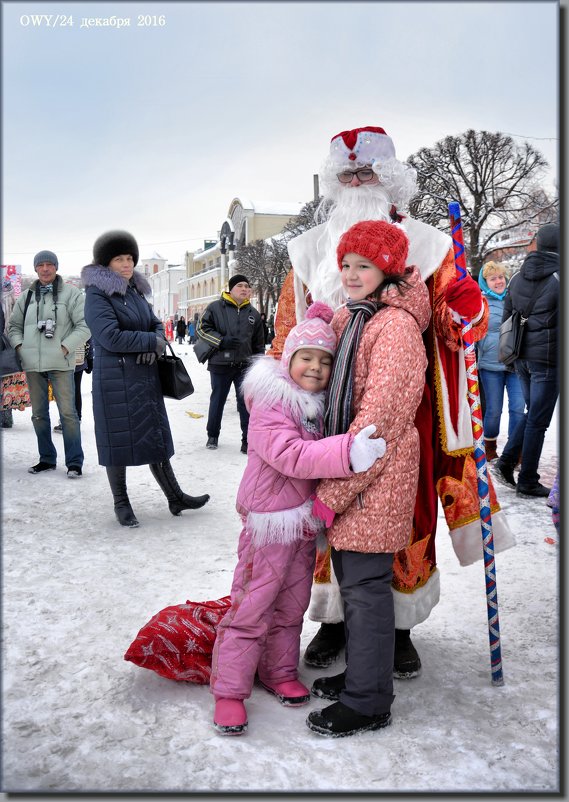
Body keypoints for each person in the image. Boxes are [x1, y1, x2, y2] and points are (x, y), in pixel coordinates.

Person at [269, 125, 514, 676]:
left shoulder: (429, 244)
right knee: (324, 507)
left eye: (368, 172)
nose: (358, 183)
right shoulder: (308, 250)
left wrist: (466, 308)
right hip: (322, 406)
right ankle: (333, 618)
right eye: (348, 174)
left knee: (399, 511)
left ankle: (397, 626)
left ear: (390, 179)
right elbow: (287, 331)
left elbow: (454, 326)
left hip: (405, 403)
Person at [210, 302, 387, 735]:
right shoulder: (272, 402)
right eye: (306, 357)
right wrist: (347, 452)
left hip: (303, 524)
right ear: (287, 358)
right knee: (252, 604)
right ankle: (230, 689)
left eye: (325, 361)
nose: (315, 367)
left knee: (291, 606)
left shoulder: (317, 405)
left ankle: (278, 669)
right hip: (269, 522)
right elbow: (289, 455)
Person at [306, 220, 430, 738]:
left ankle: (368, 700)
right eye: (347, 264)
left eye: (365, 265)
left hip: (376, 479)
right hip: (356, 478)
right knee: (356, 585)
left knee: (365, 589)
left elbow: (377, 423)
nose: (352, 274)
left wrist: (333, 491)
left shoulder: (395, 327)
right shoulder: (358, 318)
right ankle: (363, 675)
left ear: (388, 269)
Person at [82, 230, 210, 527]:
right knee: (118, 441)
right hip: (114, 380)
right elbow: (109, 336)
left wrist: (154, 340)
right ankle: (121, 502)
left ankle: (175, 496)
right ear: (106, 263)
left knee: (154, 435)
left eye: (130, 258)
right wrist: (147, 342)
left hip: (144, 377)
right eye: (119, 259)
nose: (127, 264)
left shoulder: (135, 291)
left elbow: (155, 324)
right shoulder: (96, 294)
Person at [8, 250, 89, 477]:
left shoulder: (72, 294)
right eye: (41, 265)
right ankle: (46, 459)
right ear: (35, 269)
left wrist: (65, 347)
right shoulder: (26, 296)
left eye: (49, 265)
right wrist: (20, 348)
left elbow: (85, 325)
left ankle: (74, 462)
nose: (45, 269)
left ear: (56, 267)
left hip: (61, 363)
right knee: (39, 415)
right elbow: (13, 327)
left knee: (68, 414)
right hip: (33, 364)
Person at [493, 223, 559, 497]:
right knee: (538, 421)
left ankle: (507, 462)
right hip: (548, 360)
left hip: (521, 357)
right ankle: (527, 479)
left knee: (533, 414)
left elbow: (508, 317)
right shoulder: (559, 277)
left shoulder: (518, 277)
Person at [197, 273, 265, 454]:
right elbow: (201, 329)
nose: (244, 289)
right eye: (240, 286)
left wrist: (258, 366)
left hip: (244, 366)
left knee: (246, 404)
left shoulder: (254, 314)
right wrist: (221, 341)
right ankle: (212, 434)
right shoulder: (215, 307)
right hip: (220, 364)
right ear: (230, 289)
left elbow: (258, 343)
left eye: (247, 286)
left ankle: (247, 440)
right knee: (218, 400)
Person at [476, 262, 525, 461]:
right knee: (494, 410)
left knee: (517, 408)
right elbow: (473, 331)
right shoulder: (480, 302)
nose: (498, 281)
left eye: (501, 277)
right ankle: (490, 448)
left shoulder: (515, 298)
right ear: (485, 282)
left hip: (514, 363)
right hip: (490, 365)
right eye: (493, 278)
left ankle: (515, 451)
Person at [54, 338, 93, 432]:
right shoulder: (82, 322)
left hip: (63, 358)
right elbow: (88, 336)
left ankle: (67, 422)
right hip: (78, 357)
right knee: (75, 390)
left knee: (64, 391)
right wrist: (90, 358)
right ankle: (76, 419)